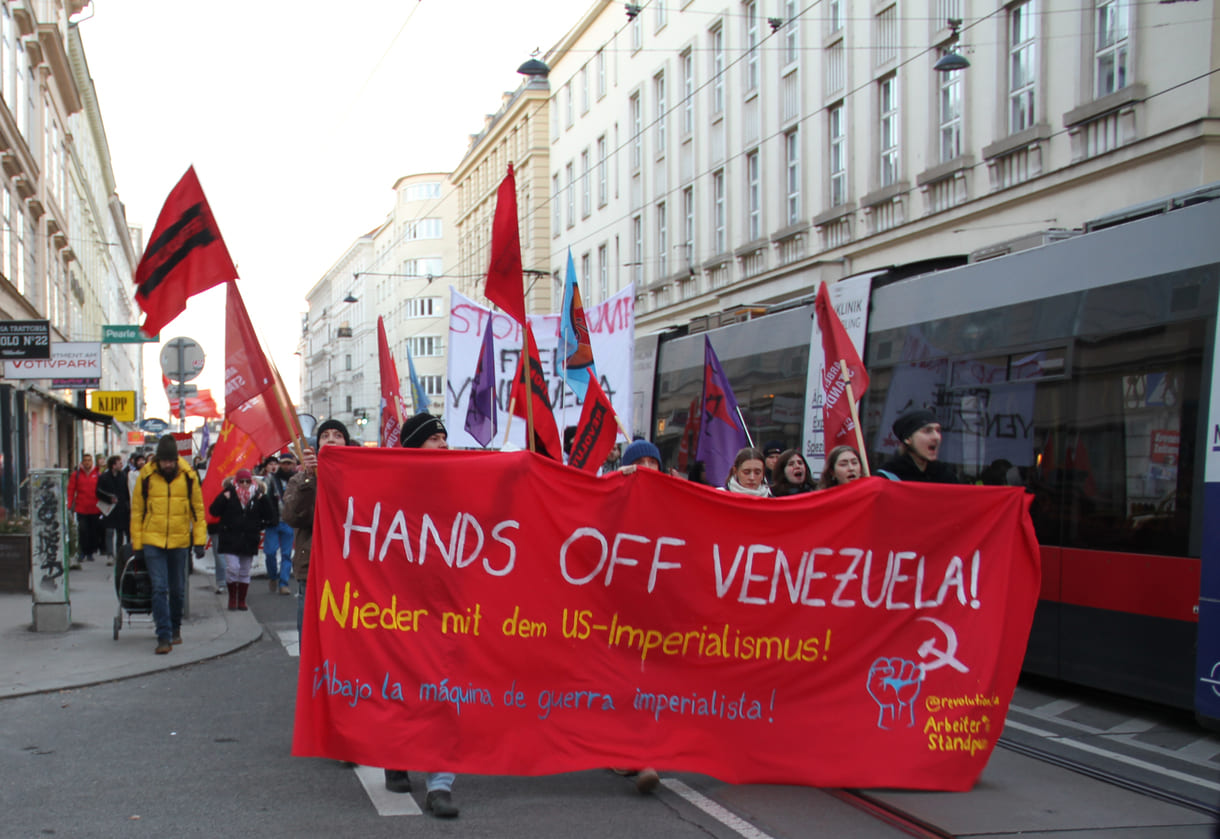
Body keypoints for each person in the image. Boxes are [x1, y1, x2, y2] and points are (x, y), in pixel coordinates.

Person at [377, 411, 460, 817]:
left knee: (445, 693)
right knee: (404, 687)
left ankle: (440, 783)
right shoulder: (390, 489)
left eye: (445, 438)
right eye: (434, 438)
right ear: (414, 446)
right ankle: (396, 754)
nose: (443, 444)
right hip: (400, 608)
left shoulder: (465, 485)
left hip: (450, 609)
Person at [131, 435, 207, 655]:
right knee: (159, 588)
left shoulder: (189, 476)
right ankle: (163, 635)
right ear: (157, 460)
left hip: (179, 540)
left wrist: (199, 540)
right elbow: (137, 512)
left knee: (177, 590)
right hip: (152, 540)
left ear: (176, 459)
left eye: (171, 461)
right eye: (164, 461)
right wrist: (137, 544)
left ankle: (175, 628)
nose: (168, 465)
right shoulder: (146, 476)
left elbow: (198, 510)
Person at [208, 468, 275, 612]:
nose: (244, 484)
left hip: (249, 539)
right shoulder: (229, 493)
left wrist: (262, 504)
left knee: (245, 571)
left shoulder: (258, 495)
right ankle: (232, 597)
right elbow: (213, 511)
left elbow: (270, 516)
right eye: (241, 481)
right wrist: (223, 498)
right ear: (236, 482)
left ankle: (242, 600)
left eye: (247, 481)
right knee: (233, 568)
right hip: (230, 538)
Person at [879, 409, 959, 483]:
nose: (937, 437)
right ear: (908, 439)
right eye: (927, 431)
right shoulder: (886, 478)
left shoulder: (946, 476)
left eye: (938, 431)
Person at [263, 452, 297, 595]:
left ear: (293, 464)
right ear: (280, 464)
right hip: (273, 521)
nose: (286, 466)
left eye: (289, 463)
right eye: (284, 463)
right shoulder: (271, 479)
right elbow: (265, 498)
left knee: (286, 554)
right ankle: (272, 576)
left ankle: (283, 583)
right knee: (270, 552)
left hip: (289, 522)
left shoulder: (297, 479)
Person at [95, 455, 131, 565]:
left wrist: (127, 504)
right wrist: (108, 498)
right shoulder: (104, 477)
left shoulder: (123, 476)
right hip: (109, 508)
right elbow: (98, 492)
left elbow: (127, 491)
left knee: (120, 533)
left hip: (121, 508)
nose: (121, 465)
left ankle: (119, 555)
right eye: (119, 463)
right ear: (113, 465)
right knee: (109, 531)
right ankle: (110, 554)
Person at [68, 453, 102, 565]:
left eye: (89, 460)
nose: (87, 462)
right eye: (85, 460)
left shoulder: (97, 474)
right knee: (82, 530)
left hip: (94, 508)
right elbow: (71, 490)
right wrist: (69, 505)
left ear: (92, 462)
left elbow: (101, 491)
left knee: (93, 531)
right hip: (81, 507)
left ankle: (90, 552)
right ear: (82, 462)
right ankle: (82, 551)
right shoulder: (76, 475)